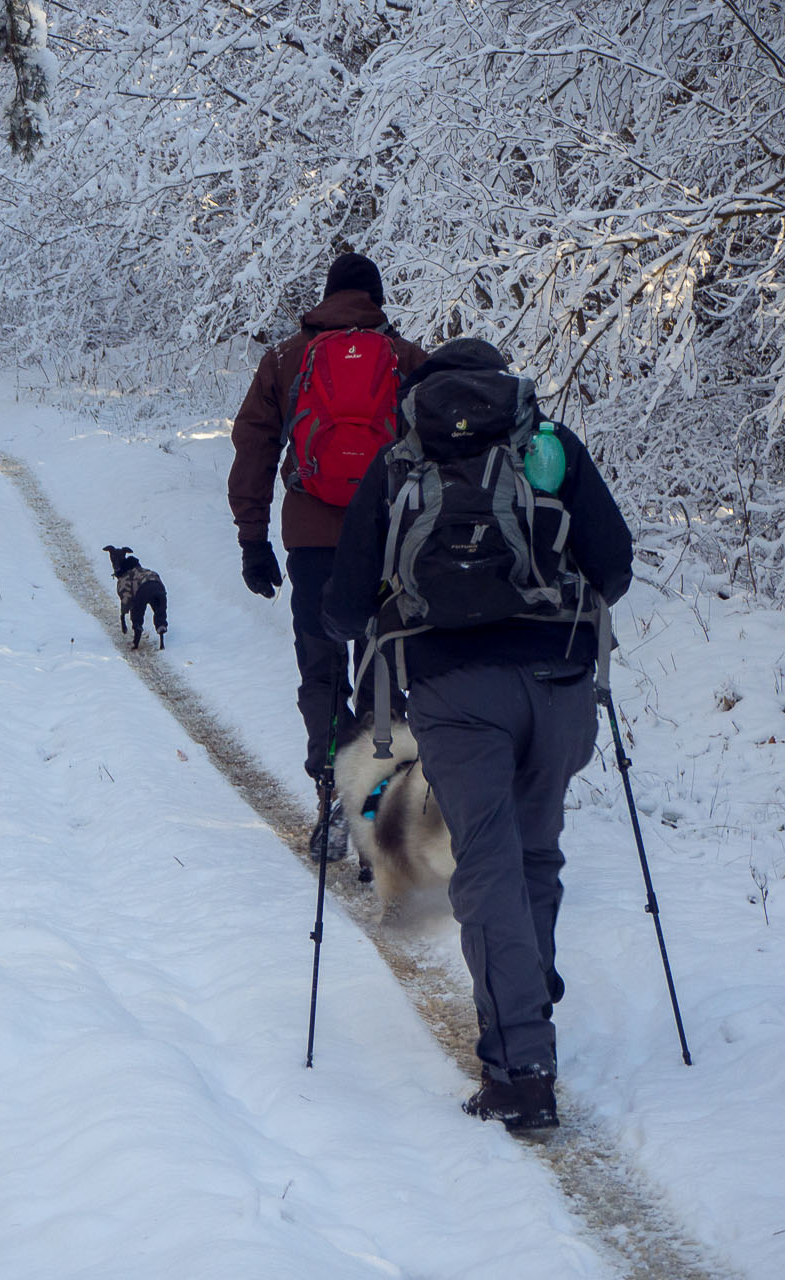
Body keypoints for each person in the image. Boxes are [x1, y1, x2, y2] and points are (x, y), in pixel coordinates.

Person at [320, 337, 633, 1130]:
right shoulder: (551, 449)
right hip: (559, 683)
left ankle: (520, 1065)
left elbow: (342, 604)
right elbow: (616, 564)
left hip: (455, 694)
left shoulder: (400, 463)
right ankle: (527, 986)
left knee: (485, 861)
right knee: (535, 849)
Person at [228, 252, 427, 832]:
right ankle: (378, 797)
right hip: (388, 542)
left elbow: (254, 447)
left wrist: (252, 538)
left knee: (321, 667)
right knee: (382, 666)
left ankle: (329, 783)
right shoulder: (406, 359)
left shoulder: (287, 359)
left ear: (326, 296)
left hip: (312, 541)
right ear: (378, 300)